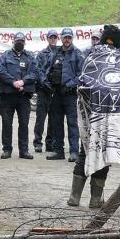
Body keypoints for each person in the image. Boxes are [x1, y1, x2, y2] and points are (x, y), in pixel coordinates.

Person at [67, 25, 120, 208]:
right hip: (113, 117)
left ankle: (74, 197)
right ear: (119, 43)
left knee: (85, 151)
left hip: (92, 116)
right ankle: (95, 200)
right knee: (104, 153)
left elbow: (82, 84)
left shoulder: (91, 57)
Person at [0, 32, 38, 159]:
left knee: (24, 124)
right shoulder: (5, 56)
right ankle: (7, 149)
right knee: (7, 123)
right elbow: (0, 71)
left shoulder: (30, 57)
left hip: (23, 96)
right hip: (7, 95)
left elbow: (35, 72)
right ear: (13, 41)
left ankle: (24, 150)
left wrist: (23, 81)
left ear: (25, 42)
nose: (19, 42)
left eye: (22, 41)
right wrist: (13, 82)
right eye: (17, 40)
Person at [44, 28, 83, 162]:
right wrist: (47, 83)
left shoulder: (77, 54)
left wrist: (70, 84)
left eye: (69, 38)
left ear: (72, 39)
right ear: (61, 38)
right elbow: (47, 69)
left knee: (72, 123)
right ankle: (58, 151)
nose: (67, 40)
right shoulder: (56, 53)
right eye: (65, 37)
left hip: (70, 95)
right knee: (56, 123)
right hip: (56, 93)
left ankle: (74, 152)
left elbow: (82, 75)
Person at [33, 29, 58, 153]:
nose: (53, 39)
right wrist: (44, 82)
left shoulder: (60, 53)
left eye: (55, 37)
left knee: (53, 119)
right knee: (40, 119)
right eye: (51, 37)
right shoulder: (42, 54)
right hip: (43, 90)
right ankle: (37, 142)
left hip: (56, 90)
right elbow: (37, 70)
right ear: (47, 39)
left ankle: (50, 143)